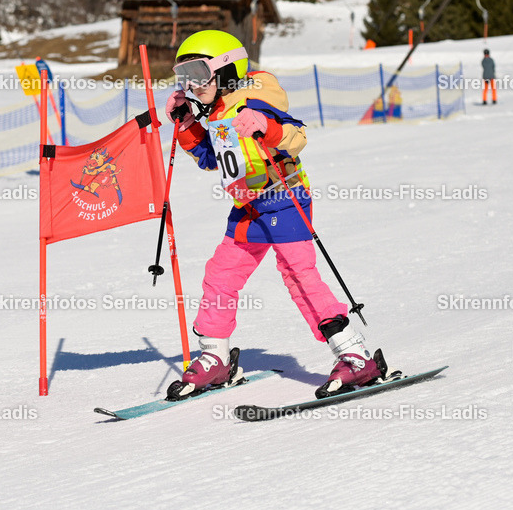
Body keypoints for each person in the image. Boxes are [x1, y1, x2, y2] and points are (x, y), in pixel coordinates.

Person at [164, 30, 390, 400]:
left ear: (224, 72)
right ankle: (215, 356)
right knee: (220, 273)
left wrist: (265, 127)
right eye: (182, 76)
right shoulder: (219, 112)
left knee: (298, 275)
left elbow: (297, 137)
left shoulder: (254, 101)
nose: (191, 84)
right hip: (248, 206)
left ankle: (355, 356)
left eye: (197, 73)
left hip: (285, 197)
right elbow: (212, 159)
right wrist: (187, 125)